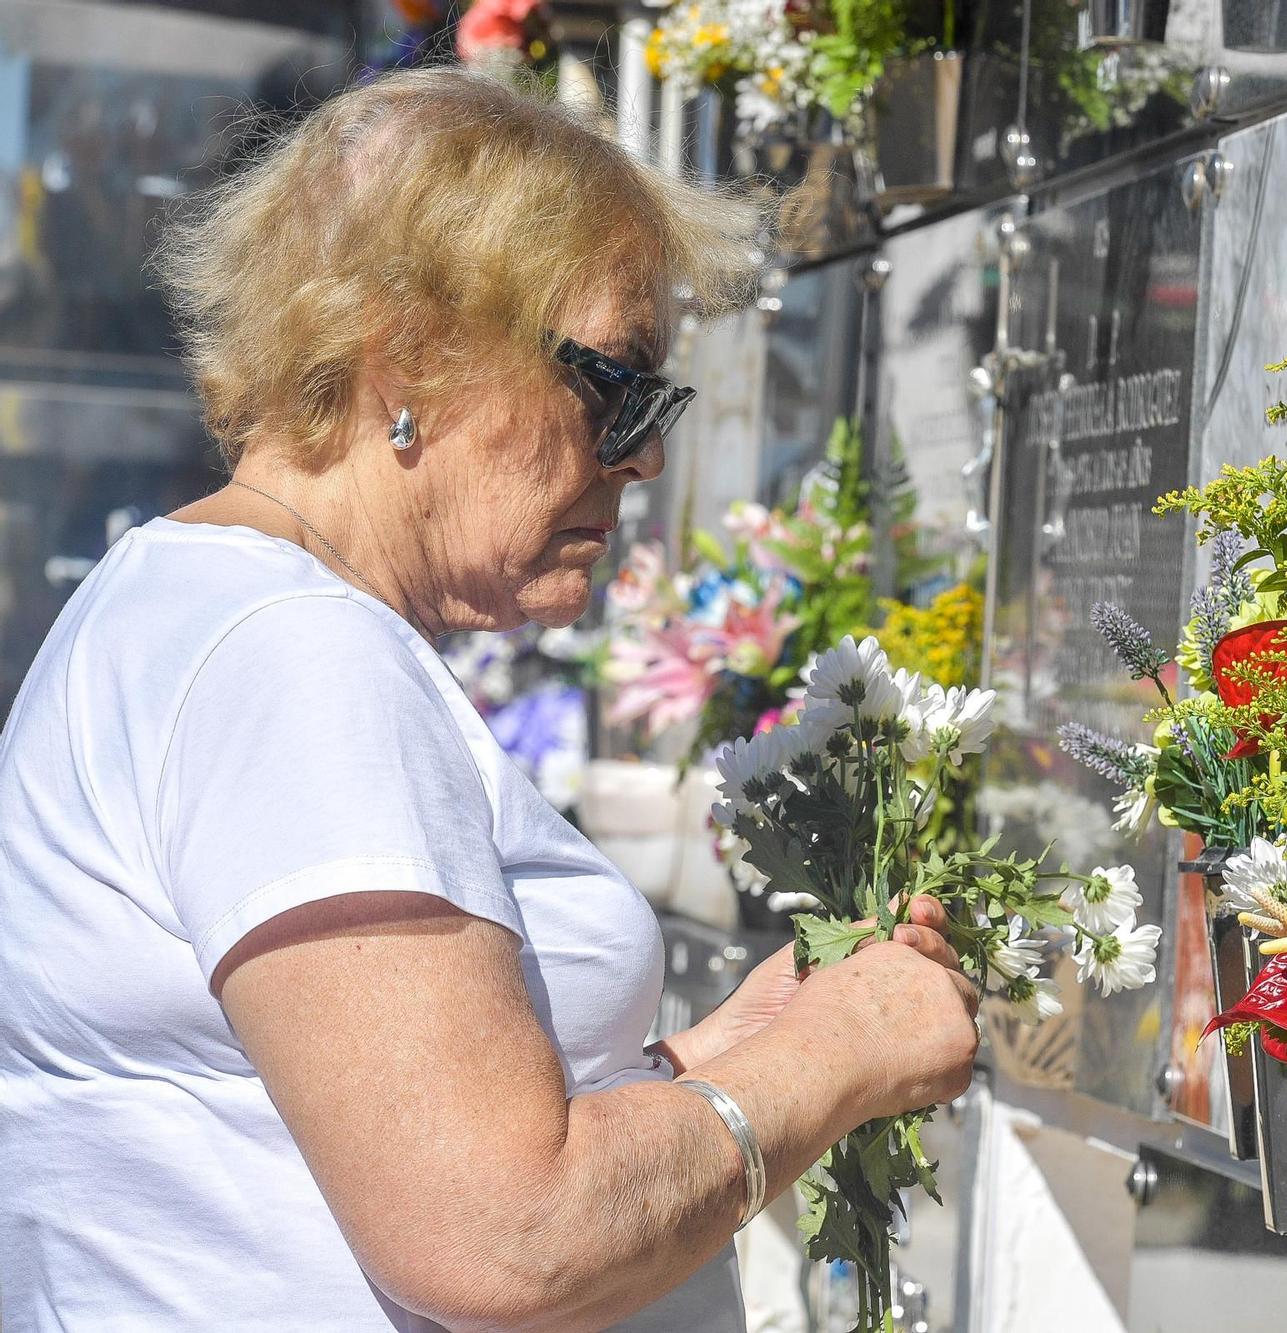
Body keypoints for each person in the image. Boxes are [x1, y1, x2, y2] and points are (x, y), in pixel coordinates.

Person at [0, 68, 979, 1332]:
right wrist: (829, 1060)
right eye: (616, 383)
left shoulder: (198, 604)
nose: (645, 452)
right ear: (411, 355)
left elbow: (401, 1135)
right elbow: (506, 1236)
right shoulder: (291, 651)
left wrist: (723, 1057)